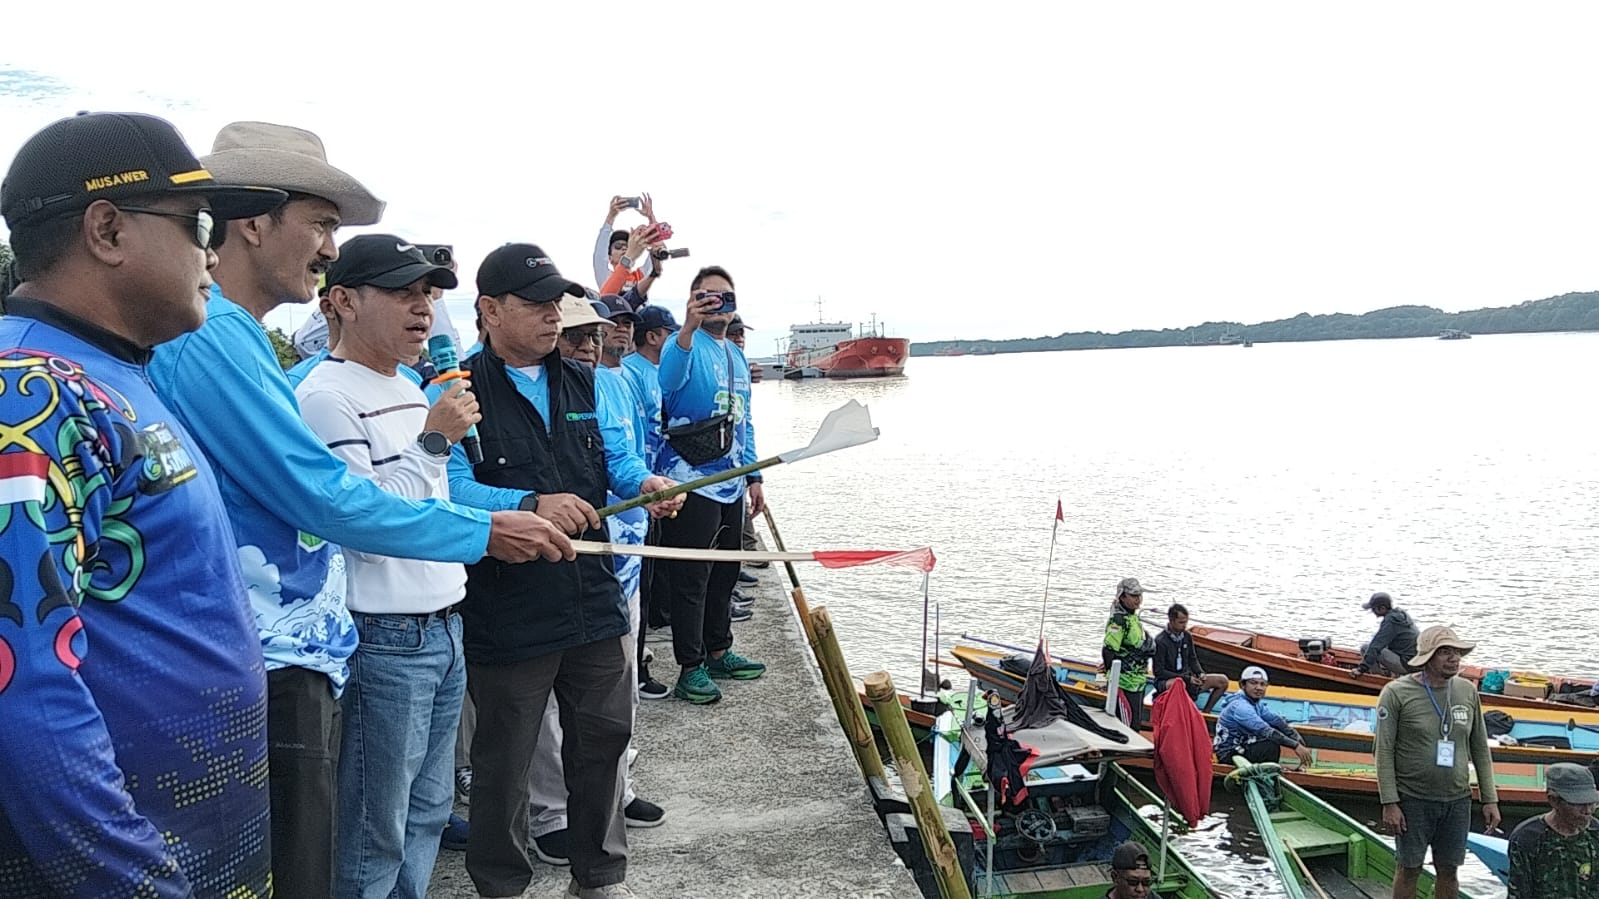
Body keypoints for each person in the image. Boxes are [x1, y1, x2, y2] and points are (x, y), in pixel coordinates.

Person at [146, 121, 572, 899]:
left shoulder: (246, 342)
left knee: (412, 812)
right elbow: (326, 495)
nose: (326, 245)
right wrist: (483, 528)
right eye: (320, 223)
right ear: (252, 224)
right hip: (280, 650)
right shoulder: (213, 340)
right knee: (345, 844)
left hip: (312, 642)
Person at [0, 111, 286, 896]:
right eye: (199, 224)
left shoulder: (115, 374)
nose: (213, 251)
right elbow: (23, 689)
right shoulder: (30, 396)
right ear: (107, 228)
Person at [450, 243, 679, 899]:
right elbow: (448, 486)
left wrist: (651, 482)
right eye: (536, 305)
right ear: (489, 310)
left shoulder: (590, 380)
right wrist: (525, 503)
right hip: (507, 604)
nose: (554, 318)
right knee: (503, 760)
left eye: (557, 304)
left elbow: (618, 465)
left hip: (592, 593)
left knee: (603, 742)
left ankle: (599, 876)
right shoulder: (457, 389)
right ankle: (500, 883)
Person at [294, 235, 476, 899]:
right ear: (343, 300)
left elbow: (432, 502)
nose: (422, 307)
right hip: (387, 634)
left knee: (427, 811)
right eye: (403, 292)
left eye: (426, 293)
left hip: (444, 622)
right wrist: (434, 441)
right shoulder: (324, 395)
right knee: (376, 825)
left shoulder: (407, 385)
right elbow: (365, 526)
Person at [655, 266, 767, 704]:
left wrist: (754, 475)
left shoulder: (735, 354)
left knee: (725, 574)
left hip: (732, 480)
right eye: (706, 295)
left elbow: (746, 420)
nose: (716, 302)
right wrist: (687, 325)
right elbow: (667, 383)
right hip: (690, 480)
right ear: (692, 300)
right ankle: (690, 664)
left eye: (724, 295)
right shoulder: (683, 345)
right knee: (691, 578)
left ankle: (719, 648)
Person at [1375, 625, 1501, 899]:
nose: (1454, 658)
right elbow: (1383, 751)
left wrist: (1490, 798)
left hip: (1457, 800)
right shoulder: (1396, 693)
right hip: (1413, 799)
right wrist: (1390, 802)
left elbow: (1480, 747)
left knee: (1449, 870)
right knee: (1409, 868)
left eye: (1456, 652)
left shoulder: (1467, 691)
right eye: (1445, 652)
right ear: (1428, 657)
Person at [1508, 762, 1599, 898]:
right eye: (1578, 804)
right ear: (1554, 801)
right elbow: (1519, 893)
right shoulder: (1527, 838)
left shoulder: (1595, 832)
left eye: (1592, 803)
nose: (1587, 811)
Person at [1212, 667, 1314, 765]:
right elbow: (1266, 731)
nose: (1259, 688)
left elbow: (1275, 720)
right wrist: (1295, 746)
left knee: (1274, 732)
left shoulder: (1255, 704)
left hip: (1243, 747)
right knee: (1270, 745)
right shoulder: (1240, 706)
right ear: (1242, 685)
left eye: (1263, 684)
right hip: (1229, 754)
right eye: (1253, 683)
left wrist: (1294, 735)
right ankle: (1267, 779)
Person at [1151, 603, 1228, 713]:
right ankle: (1179, 711)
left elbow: (1193, 659)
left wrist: (1200, 673)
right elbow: (1159, 672)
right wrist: (1186, 678)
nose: (1184, 625)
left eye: (1186, 622)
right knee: (1178, 684)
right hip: (1167, 681)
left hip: (1187, 677)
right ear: (1171, 620)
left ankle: (1206, 712)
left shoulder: (1187, 636)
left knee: (1222, 680)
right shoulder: (1161, 641)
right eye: (1181, 622)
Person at [1102, 577, 1154, 723]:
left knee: (1135, 723)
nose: (1138, 600)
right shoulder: (1118, 621)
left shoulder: (1133, 617)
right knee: (1125, 725)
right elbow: (1108, 650)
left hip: (1138, 680)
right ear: (1122, 597)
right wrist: (1110, 676)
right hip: (1124, 682)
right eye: (1133, 596)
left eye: (1139, 595)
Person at [591, 194, 655, 289]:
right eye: (618, 246)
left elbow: (657, 250)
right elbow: (599, 252)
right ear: (610, 257)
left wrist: (651, 218)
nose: (624, 248)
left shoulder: (640, 276)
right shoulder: (605, 276)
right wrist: (611, 216)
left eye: (628, 246)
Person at [1353, 591, 1419, 677]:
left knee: (1365, 648)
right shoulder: (1400, 615)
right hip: (1416, 662)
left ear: (1382, 608)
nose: (1372, 611)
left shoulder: (1390, 621)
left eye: (1373, 609)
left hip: (1407, 665)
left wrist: (1361, 669)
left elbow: (1375, 645)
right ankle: (1394, 674)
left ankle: (1378, 678)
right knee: (1382, 647)